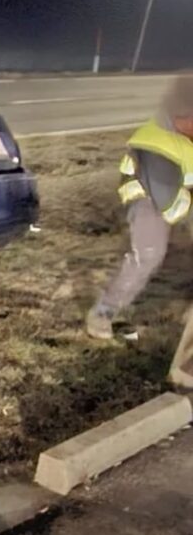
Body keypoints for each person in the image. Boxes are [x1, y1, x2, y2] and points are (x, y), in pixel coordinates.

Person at [86, 75, 193, 391]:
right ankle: (102, 315)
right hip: (148, 199)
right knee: (147, 255)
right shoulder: (156, 145)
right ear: (180, 116)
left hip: (176, 192)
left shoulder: (184, 134)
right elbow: (172, 206)